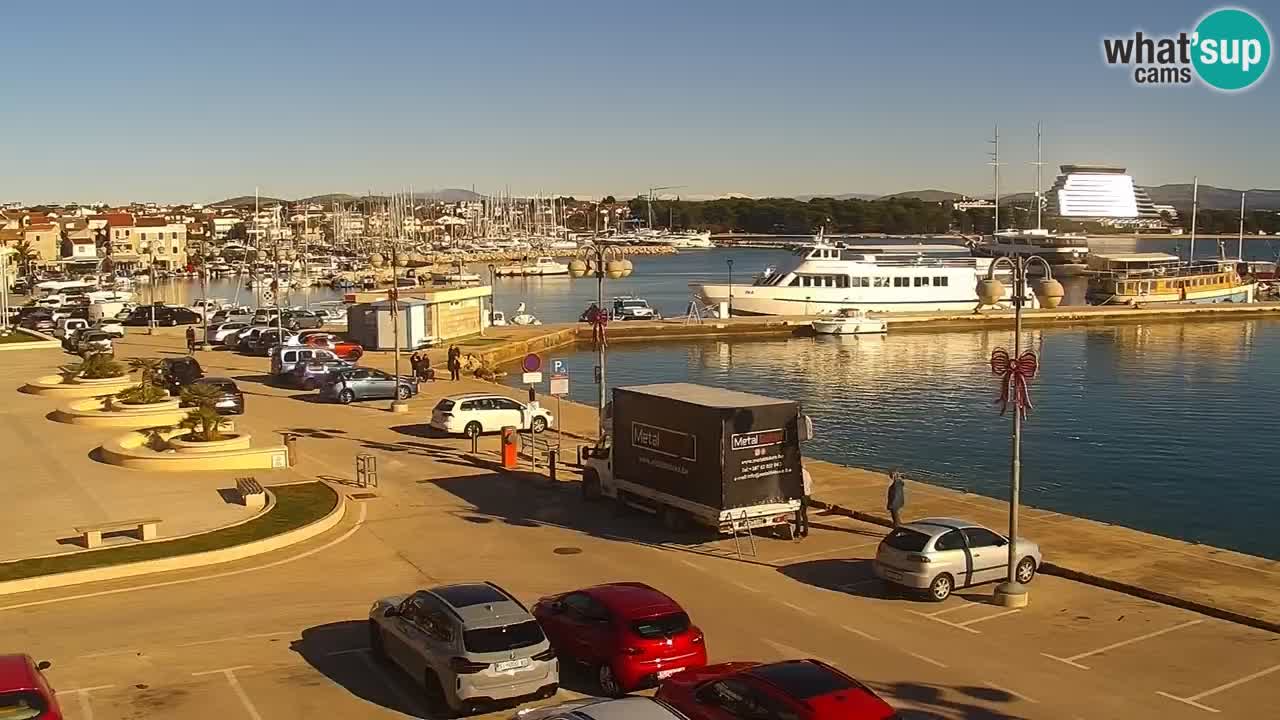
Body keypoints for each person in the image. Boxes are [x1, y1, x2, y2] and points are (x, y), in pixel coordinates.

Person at [795, 465, 813, 538]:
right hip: (807, 495)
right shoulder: (807, 473)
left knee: (798, 514)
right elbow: (810, 482)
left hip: (800, 495)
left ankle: (797, 531)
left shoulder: (797, 474)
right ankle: (805, 531)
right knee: (804, 514)